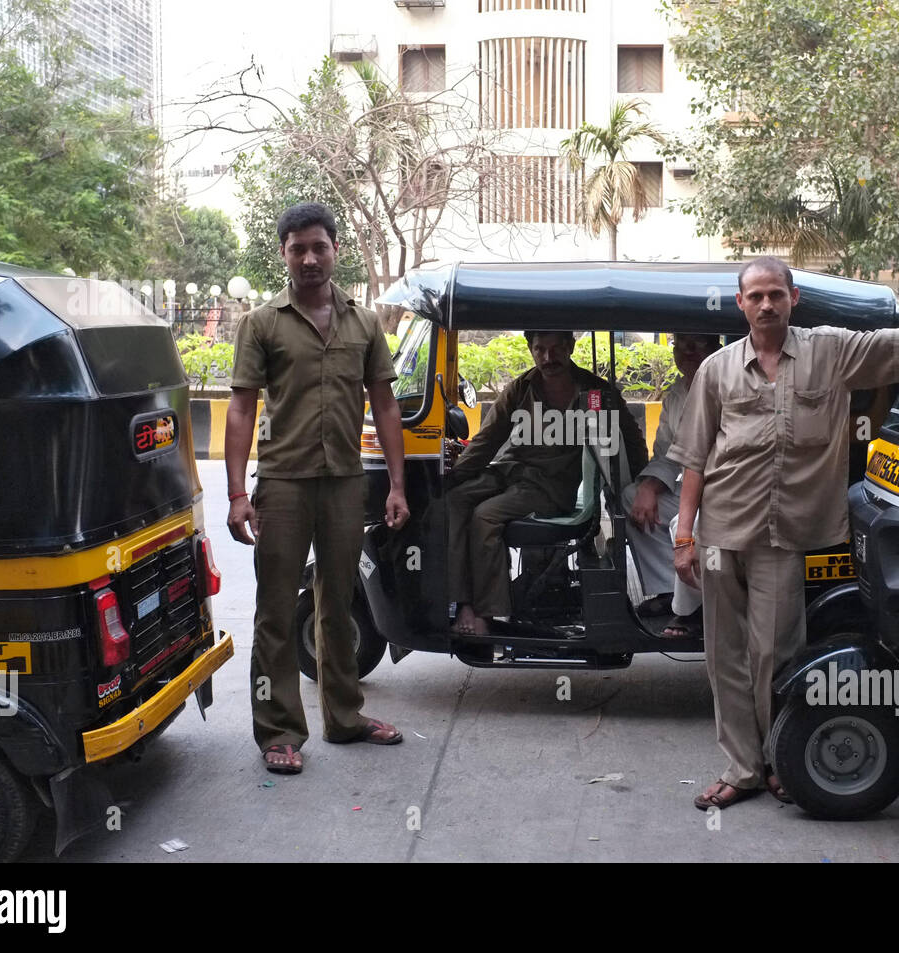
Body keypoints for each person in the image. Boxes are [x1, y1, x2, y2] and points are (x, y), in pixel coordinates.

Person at [669, 242, 899, 810]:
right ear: (740, 304)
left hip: (783, 537)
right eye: (755, 296)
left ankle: (779, 758)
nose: (766, 305)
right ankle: (742, 768)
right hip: (718, 531)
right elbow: (693, 459)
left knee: (778, 654)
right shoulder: (716, 370)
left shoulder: (830, 352)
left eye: (775, 295)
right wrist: (685, 536)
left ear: (794, 298)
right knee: (725, 654)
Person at [225, 202, 411, 775]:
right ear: (283, 253)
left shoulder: (364, 322)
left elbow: (384, 404)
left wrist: (397, 485)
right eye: (297, 248)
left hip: (344, 483)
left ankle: (345, 717)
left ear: (335, 249)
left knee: (337, 603)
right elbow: (240, 408)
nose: (309, 258)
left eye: (319, 247)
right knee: (277, 611)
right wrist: (237, 494)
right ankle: (279, 731)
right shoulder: (261, 324)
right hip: (282, 484)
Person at [449, 330, 648, 636]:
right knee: (453, 500)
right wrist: (455, 476)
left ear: (570, 348)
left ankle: (489, 615)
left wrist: (643, 484)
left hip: (550, 487)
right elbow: (487, 441)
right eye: (540, 349)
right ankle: (461, 600)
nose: (547, 358)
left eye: (556, 349)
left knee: (484, 516)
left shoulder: (594, 392)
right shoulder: (521, 388)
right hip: (510, 472)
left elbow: (631, 439)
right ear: (531, 350)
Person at [622, 332, 720, 637]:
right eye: (681, 343)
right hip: (688, 484)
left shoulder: (723, 385)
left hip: (723, 488)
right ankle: (669, 589)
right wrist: (650, 487)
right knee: (631, 498)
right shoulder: (676, 393)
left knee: (684, 524)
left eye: (697, 343)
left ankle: (694, 610)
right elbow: (666, 453)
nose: (687, 350)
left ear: (715, 348)